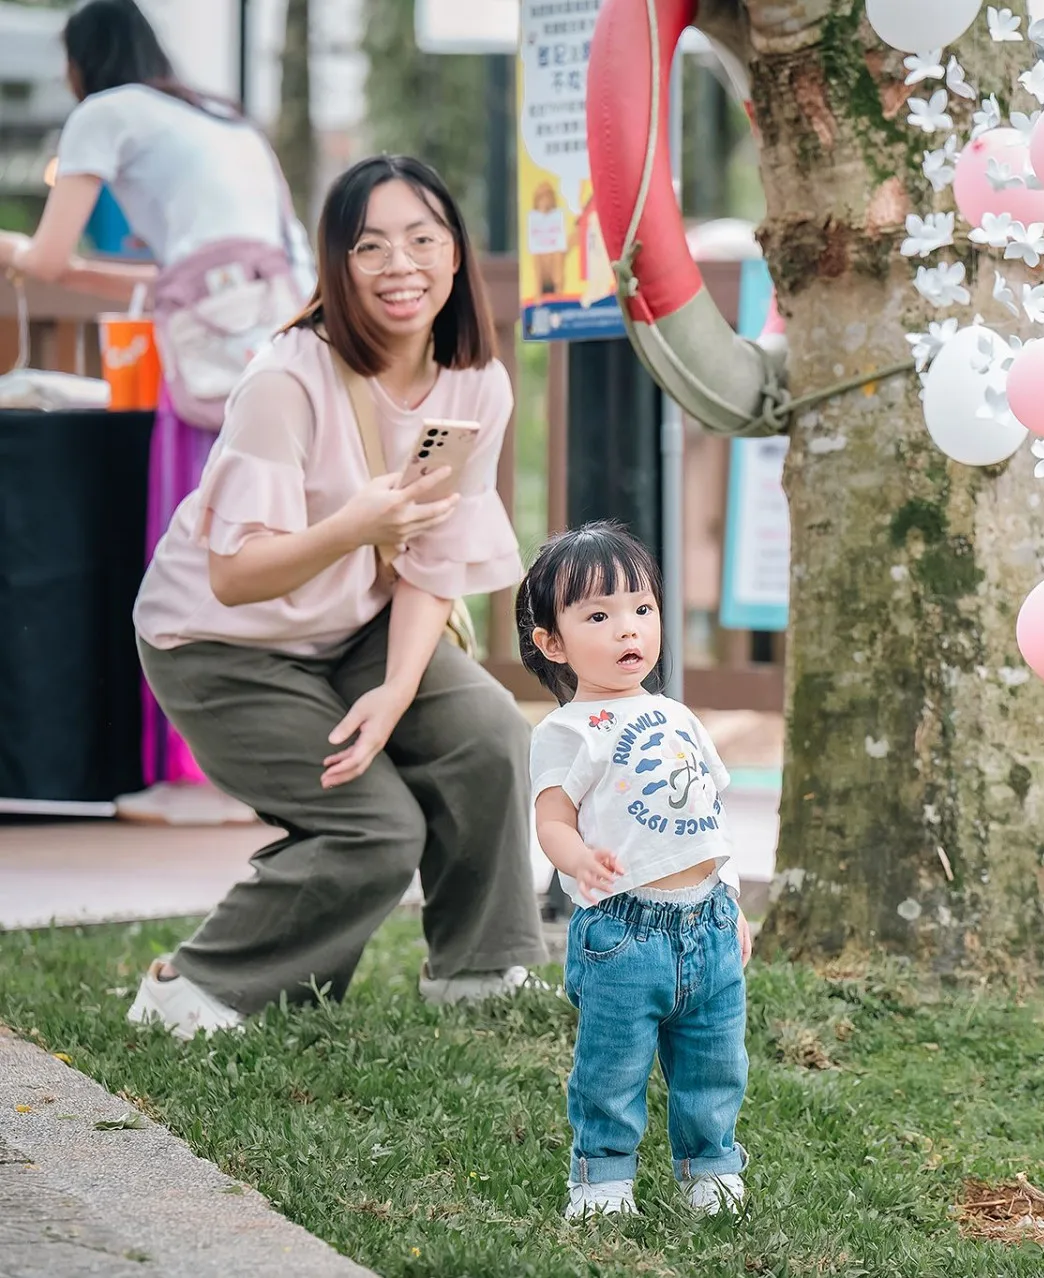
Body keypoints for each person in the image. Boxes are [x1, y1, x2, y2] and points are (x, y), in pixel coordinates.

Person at [121, 154, 545, 1038]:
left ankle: (479, 972)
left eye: (422, 239)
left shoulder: (476, 383)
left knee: (489, 734)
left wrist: (394, 693)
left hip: (353, 625)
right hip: (221, 645)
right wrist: (352, 527)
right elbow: (236, 577)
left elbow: (434, 558)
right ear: (337, 265)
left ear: (455, 253)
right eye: (371, 246)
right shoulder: (286, 382)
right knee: (374, 829)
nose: (401, 266)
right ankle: (191, 990)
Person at [0, 0, 314, 827]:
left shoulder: (104, 113)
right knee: (266, 547)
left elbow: (49, 257)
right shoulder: (221, 118)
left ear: (81, 63)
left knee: (193, 550)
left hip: (207, 367)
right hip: (277, 346)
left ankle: (197, 772)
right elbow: (168, 274)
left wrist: (14, 251)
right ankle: (265, 766)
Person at [518, 522, 751, 1220]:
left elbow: (708, 817)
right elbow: (552, 820)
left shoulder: (677, 715)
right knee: (611, 1068)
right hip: (624, 934)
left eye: (642, 608)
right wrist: (578, 859)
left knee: (715, 1063)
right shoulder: (565, 732)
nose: (628, 628)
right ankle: (603, 1179)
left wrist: (731, 900)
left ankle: (710, 1167)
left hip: (708, 923)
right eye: (599, 616)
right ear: (553, 644)